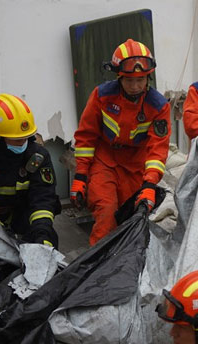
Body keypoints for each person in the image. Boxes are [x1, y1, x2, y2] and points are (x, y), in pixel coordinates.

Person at [71, 39, 171, 246]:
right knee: (106, 213)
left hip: (135, 167)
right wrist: (81, 175)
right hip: (104, 160)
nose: (135, 86)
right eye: (129, 80)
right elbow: (86, 136)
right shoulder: (102, 96)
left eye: (141, 80)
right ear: (118, 76)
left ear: (148, 77)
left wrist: (150, 184)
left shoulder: (159, 106)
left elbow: (157, 149)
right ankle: (97, 268)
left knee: (130, 220)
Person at [0, 93, 61, 263]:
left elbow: (43, 198)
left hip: (29, 226)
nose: (22, 144)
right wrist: (4, 245)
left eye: (26, 138)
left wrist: (42, 235)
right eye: (16, 140)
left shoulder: (37, 157)